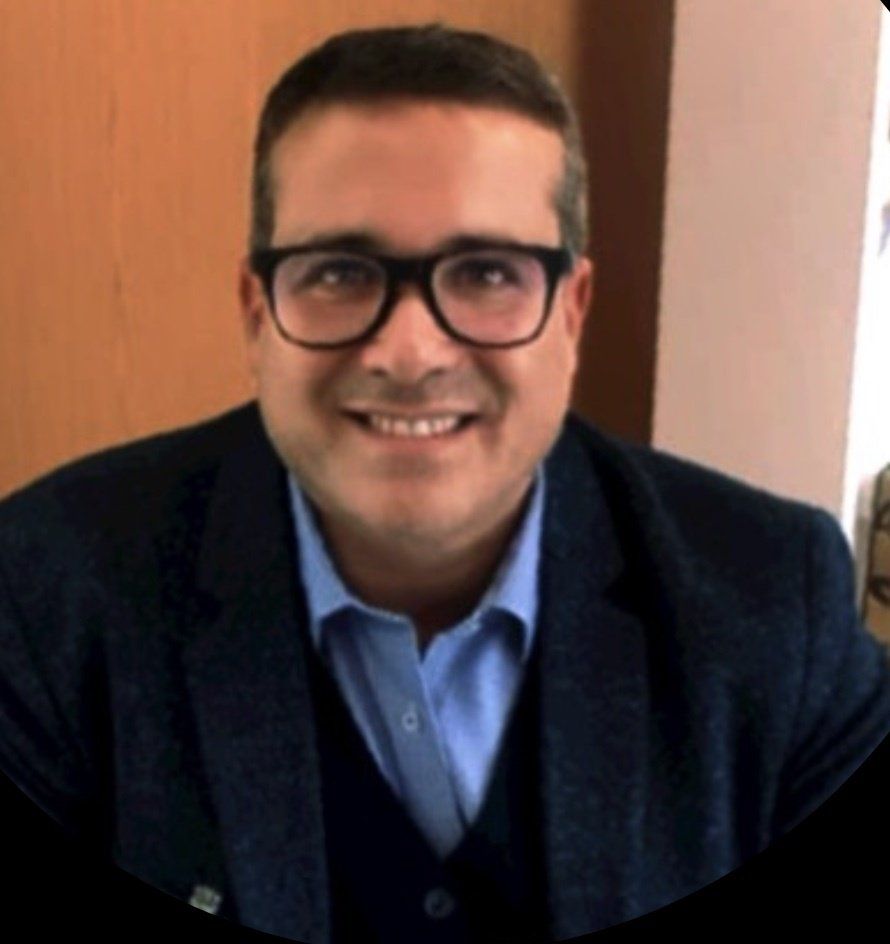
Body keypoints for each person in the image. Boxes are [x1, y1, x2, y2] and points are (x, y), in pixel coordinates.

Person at [0, 23, 888, 944]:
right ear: (257, 315)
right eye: (340, 272)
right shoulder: (49, 594)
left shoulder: (772, 600)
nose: (411, 352)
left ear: (572, 313)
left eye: (487, 273)